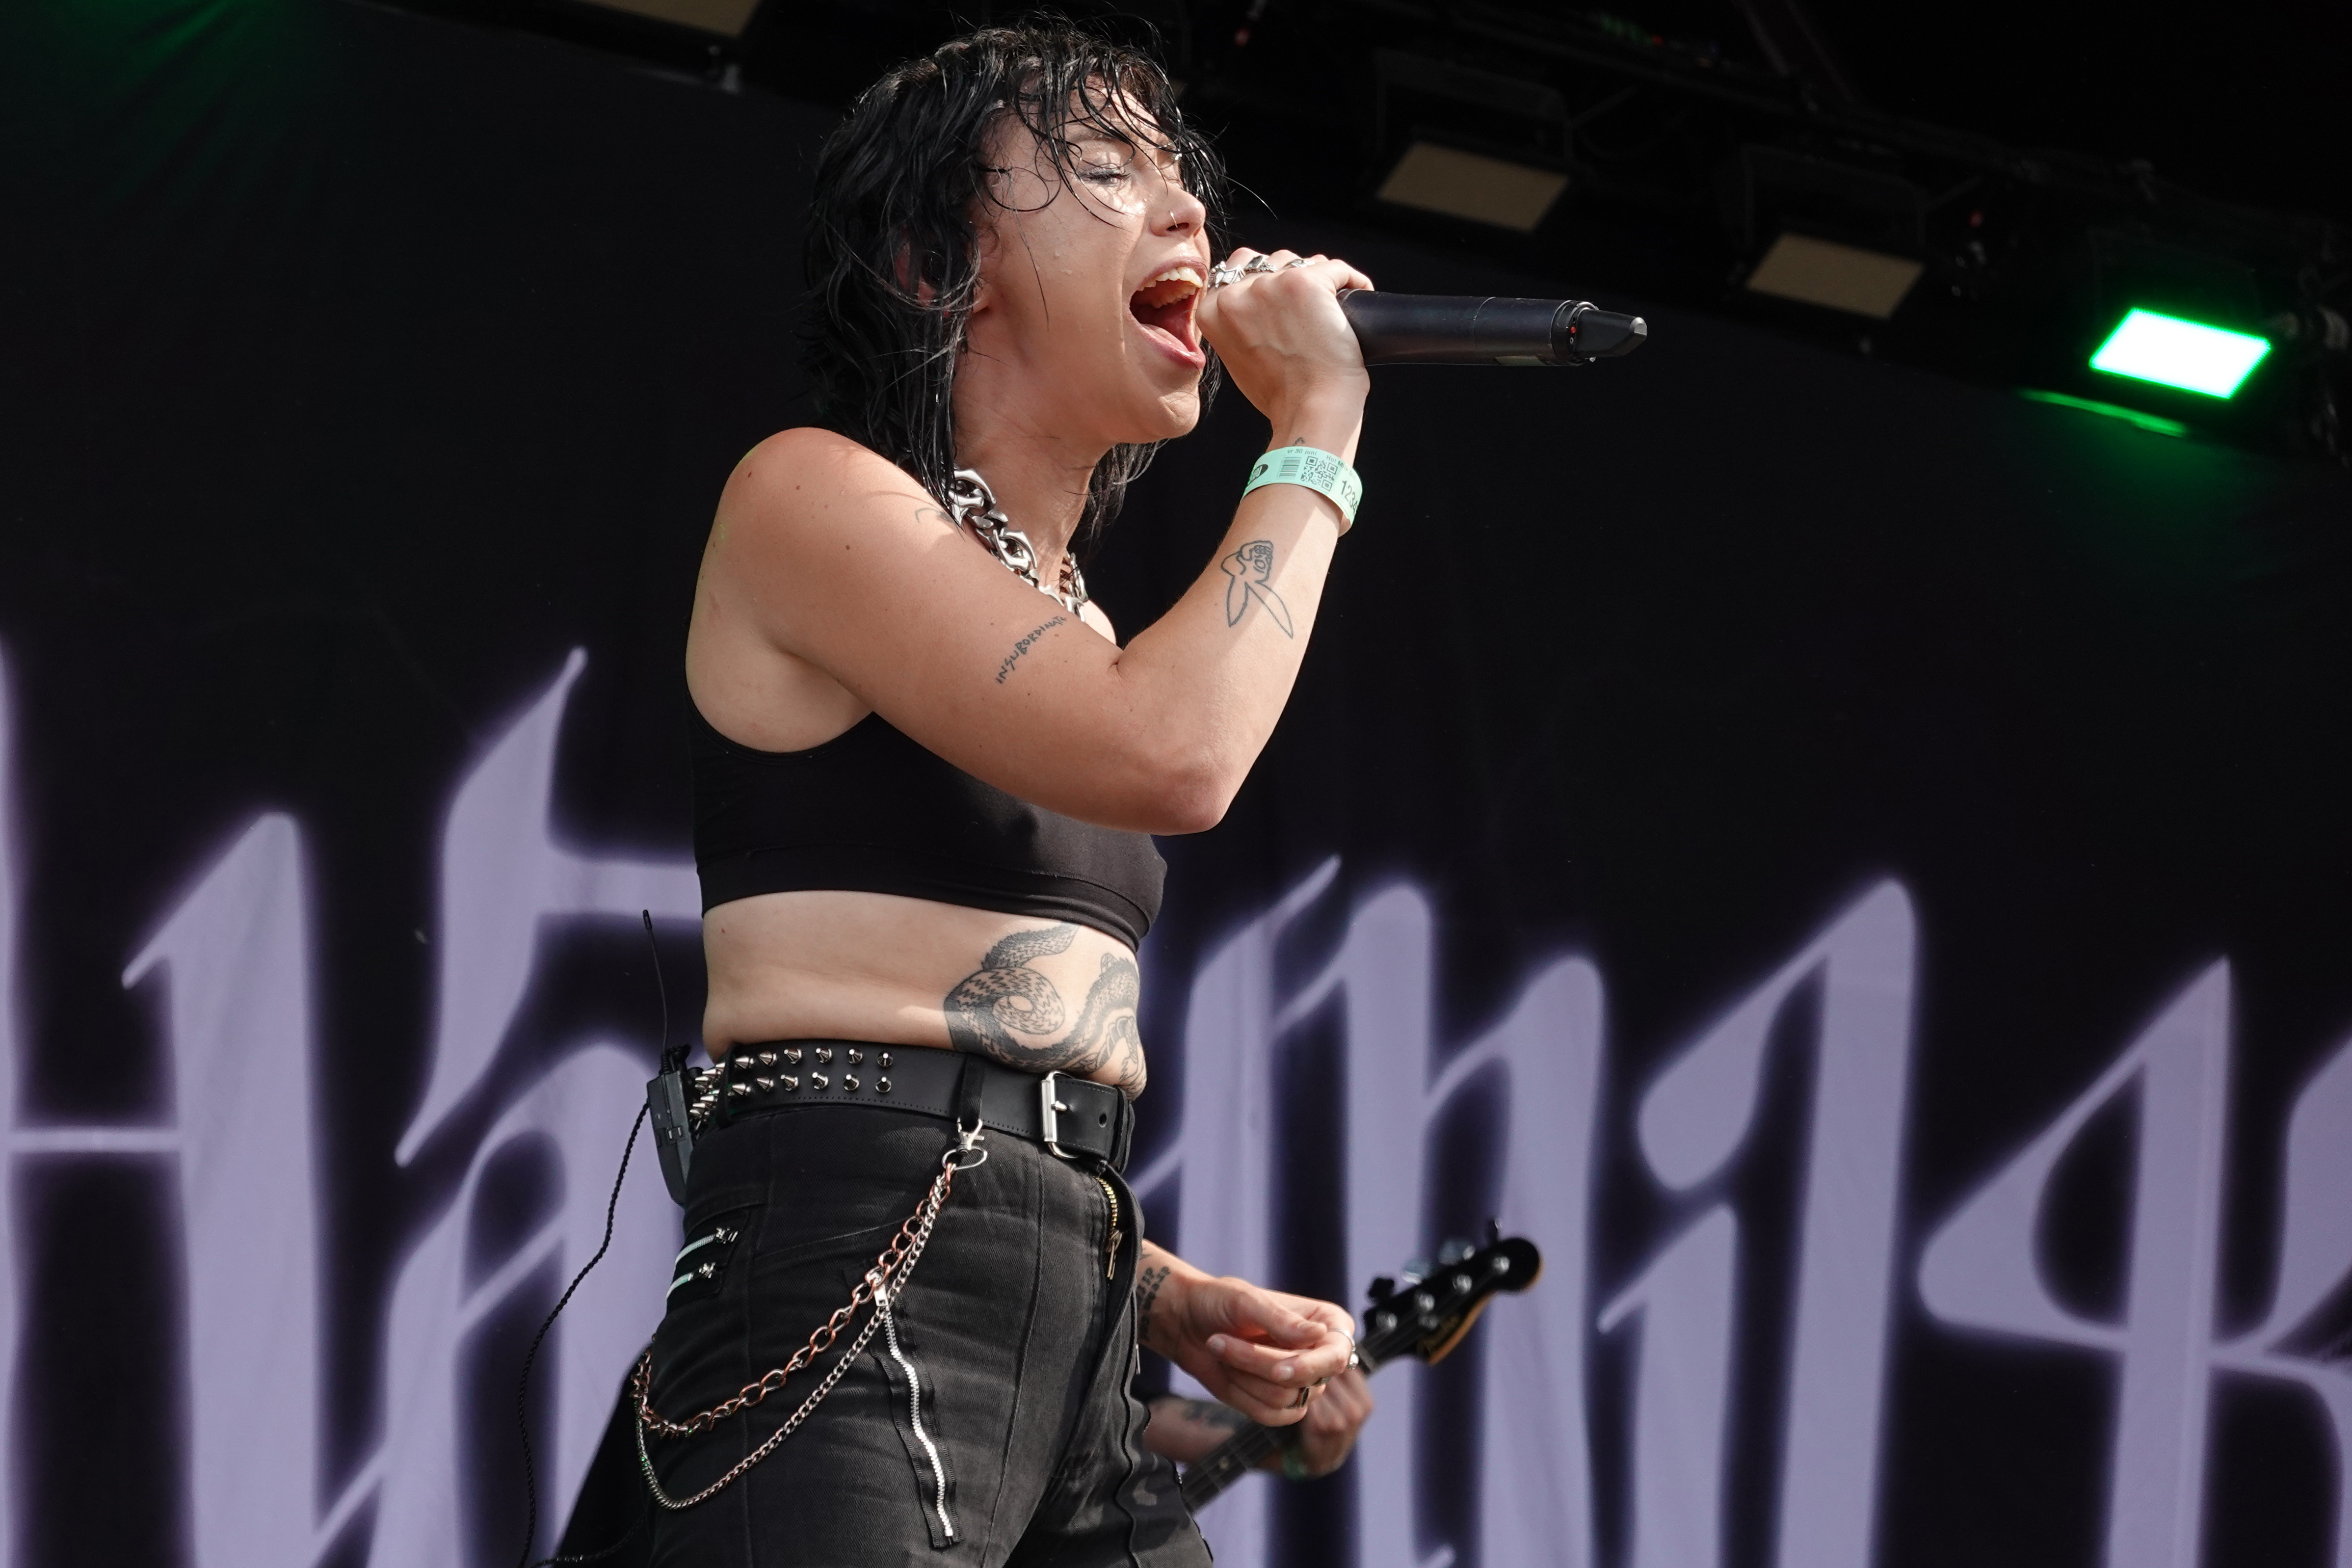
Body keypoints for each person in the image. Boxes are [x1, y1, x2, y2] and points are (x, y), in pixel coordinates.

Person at [638, 20, 1376, 1567]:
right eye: (1105, 169)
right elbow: (1179, 756)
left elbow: (996, 1080)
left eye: (1183, 175)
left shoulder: (1085, 627)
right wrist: (1315, 431)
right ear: (936, 265)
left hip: (1076, 1304)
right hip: (842, 1291)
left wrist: (1166, 1295)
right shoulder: (812, 495)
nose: (1188, 213)